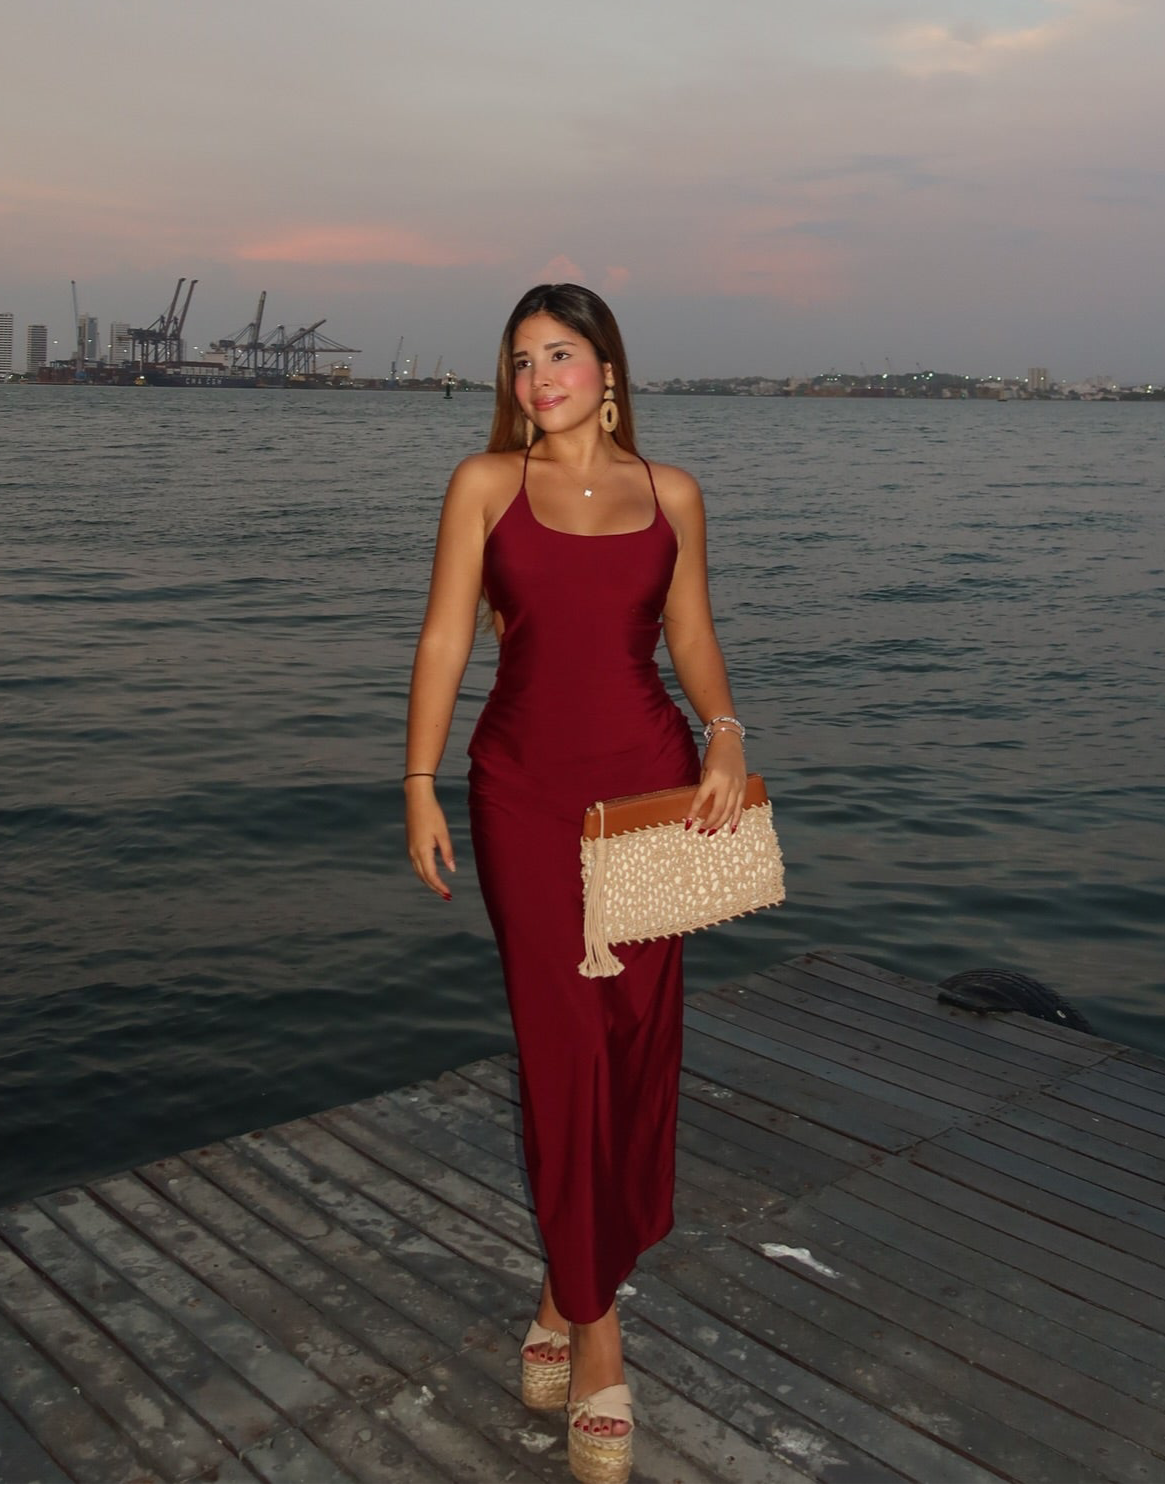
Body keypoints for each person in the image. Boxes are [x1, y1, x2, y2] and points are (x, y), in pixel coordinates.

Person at [404, 283, 747, 1485]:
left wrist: (724, 733)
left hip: (651, 793)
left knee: (638, 1040)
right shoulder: (482, 486)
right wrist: (415, 780)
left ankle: (563, 1284)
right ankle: (598, 1334)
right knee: (565, 1052)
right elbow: (445, 637)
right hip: (524, 798)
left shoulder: (672, 494)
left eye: (559, 354)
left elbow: (688, 634)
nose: (537, 377)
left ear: (606, 371)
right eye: (519, 360)